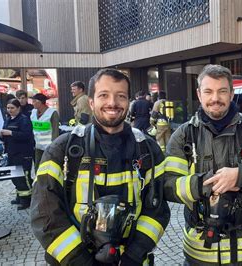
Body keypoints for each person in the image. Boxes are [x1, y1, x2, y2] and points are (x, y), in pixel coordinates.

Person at [31, 68, 170, 265]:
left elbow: (157, 210)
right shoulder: (63, 149)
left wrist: (133, 256)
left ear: (128, 102)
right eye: (103, 95)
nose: (112, 103)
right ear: (91, 102)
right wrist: (81, 261)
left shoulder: (147, 148)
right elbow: (44, 214)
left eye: (120, 96)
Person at [163, 64, 242, 265]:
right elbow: (169, 186)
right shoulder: (184, 136)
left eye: (222, 91)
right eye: (208, 91)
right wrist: (207, 183)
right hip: (198, 254)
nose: (215, 98)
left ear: (231, 93)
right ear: (199, 94)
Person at [0, 99, 35, 210]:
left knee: (24, 177)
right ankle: (20, 196)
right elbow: (5, 137)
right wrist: (1, 135)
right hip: (12, 153)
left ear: (18, 108)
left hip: (23, 153)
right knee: (15, 177)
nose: (10, 110)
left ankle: (28, 200)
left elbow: (27, 136)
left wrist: (11, 133)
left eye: (12, 108)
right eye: (8, 108)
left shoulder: (24, 120)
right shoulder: (8, 119)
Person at [30, 93, 59, 171]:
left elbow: (55, 130)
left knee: (48, 167)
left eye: (34, 101)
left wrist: (54, 146)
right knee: (37, 167)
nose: (32, 103)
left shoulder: (52, 113)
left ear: (39, 102)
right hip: (38, 146)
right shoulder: (33, 112)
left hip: (49, 146)